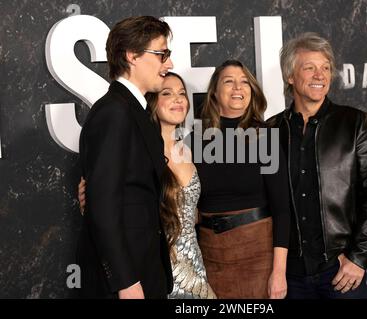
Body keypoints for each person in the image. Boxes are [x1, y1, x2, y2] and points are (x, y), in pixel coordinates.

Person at [268, 33, 367, 299]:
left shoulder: (355, 123)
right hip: (287, 276)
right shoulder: (271, 131)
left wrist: (357, 259)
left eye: (325, 68)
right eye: (309, 67)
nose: (320, 75)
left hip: (339, 272)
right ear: (290, 76)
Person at [79, 73, 216, 299]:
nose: (178, 99)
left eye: (182, 93)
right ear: (152, 100)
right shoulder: (138, 151)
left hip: (194, 266)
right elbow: (109, 202)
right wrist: (88, 201)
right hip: (157, 268)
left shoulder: (192, 150)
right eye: (167, 93)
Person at [76, 16, 174, 299]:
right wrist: (126, 282)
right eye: (162, 54)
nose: (169, 64)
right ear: (132, 56)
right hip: (127, 282)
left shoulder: (136, 112)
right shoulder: (114, 113)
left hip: (145, 270)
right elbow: (103, 205)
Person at [192, 60, 291, 299]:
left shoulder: (265, 137)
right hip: (209, 257)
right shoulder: (194, 140)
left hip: (257, 255)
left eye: (244, 82)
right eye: (229, 81)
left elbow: (282, 210)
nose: (238, 87)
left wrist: (279, 272)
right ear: (214, 92)